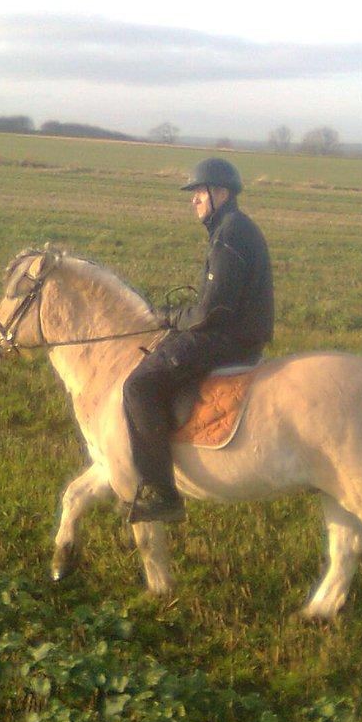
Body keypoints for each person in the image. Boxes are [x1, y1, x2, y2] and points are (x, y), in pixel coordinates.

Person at [123, 158, 274, 523]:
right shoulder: (232, 227)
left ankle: (161, 493)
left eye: (198, 192)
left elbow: (212, 311)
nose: (193, 200)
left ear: (219, 193)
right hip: (234, 332)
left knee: (139, 385)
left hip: (226, 338)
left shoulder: (231, 234)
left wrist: (173, 319)